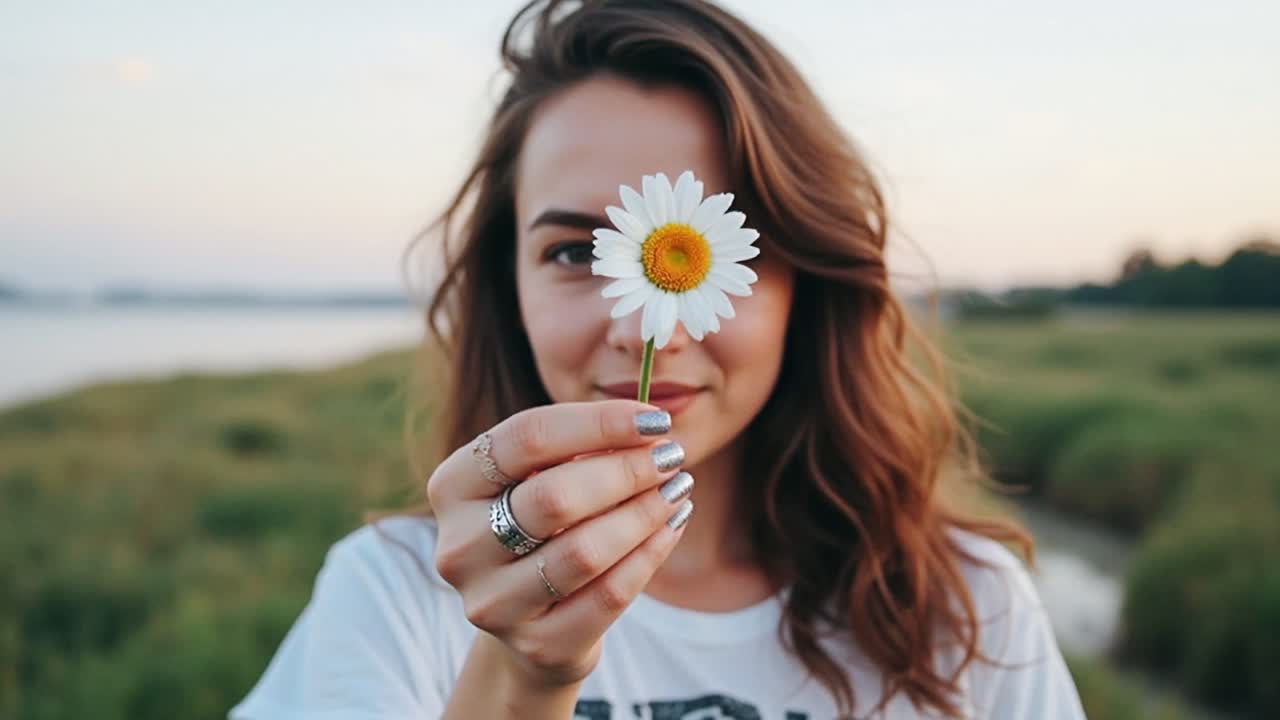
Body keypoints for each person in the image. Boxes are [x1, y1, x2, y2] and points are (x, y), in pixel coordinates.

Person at [231, 0, 1087, 718]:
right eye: (575, 253)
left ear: (809, 283)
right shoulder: (390, 600)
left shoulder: (970, 613)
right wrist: (523, 678)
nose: (648, 330)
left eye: (731, 258)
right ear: (507, 287)